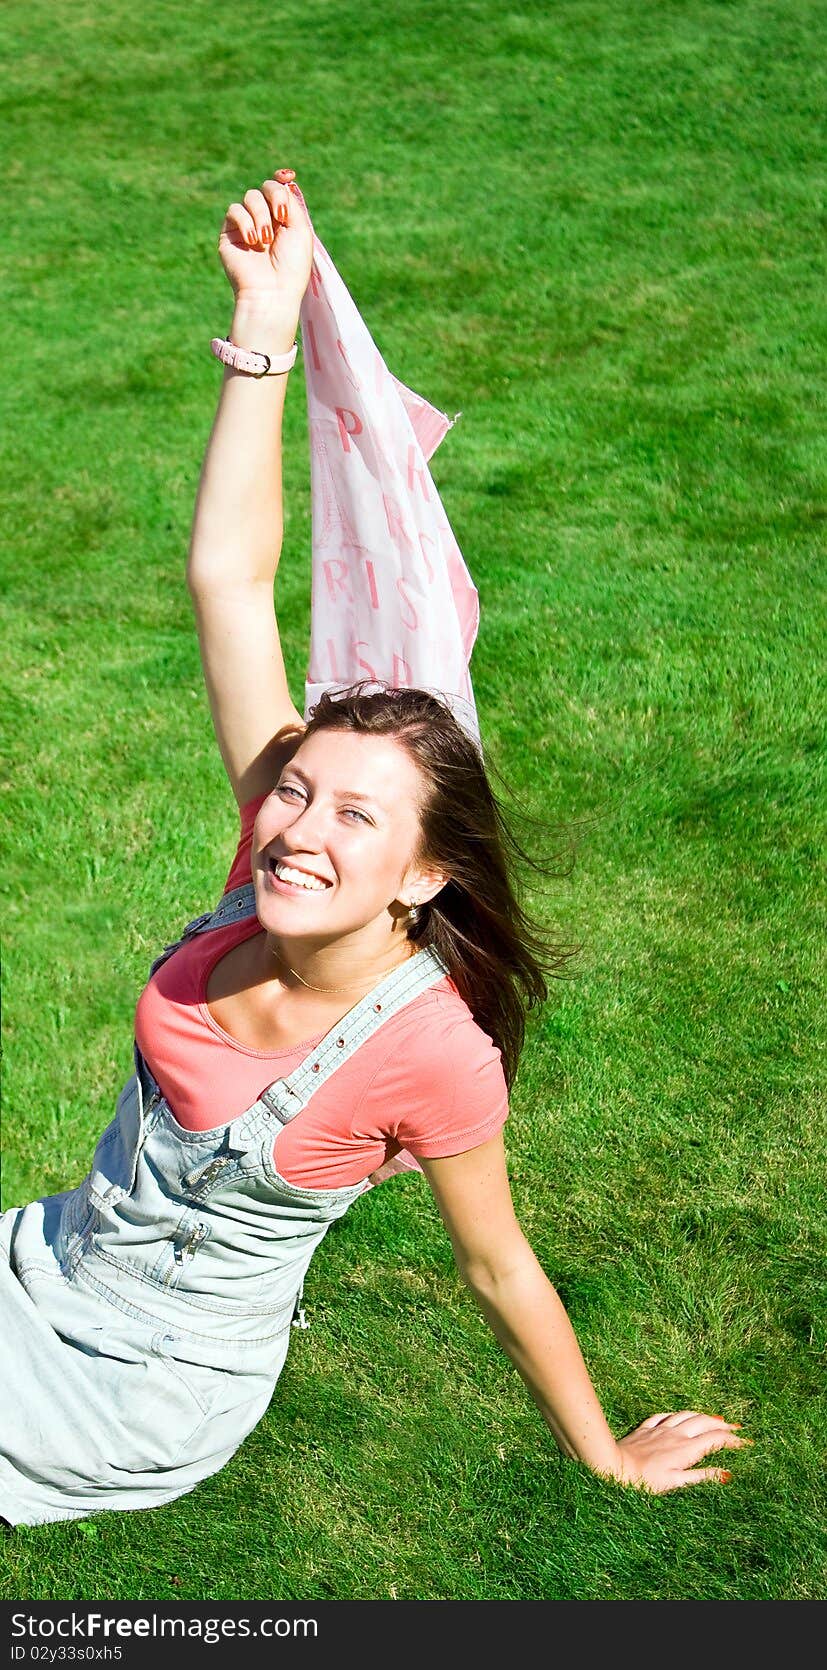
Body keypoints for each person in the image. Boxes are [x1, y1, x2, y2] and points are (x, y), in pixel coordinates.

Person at [0, 169, 750, 1527]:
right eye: (298, 791)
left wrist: (604, 1453)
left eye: (357, 816)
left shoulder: (429, 1052)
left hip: (141, 1387)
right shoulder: (263, 862)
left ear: (421, 874)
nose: (297, 826)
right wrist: (266, 327)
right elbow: (227, 579)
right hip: (41, 1265)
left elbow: (498, 1267)